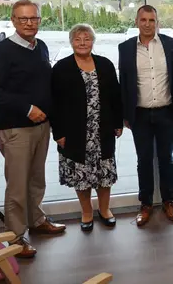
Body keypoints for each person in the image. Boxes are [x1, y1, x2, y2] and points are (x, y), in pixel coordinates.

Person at [0, 0, 65, 259]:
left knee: (36, 179)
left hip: (41, 126)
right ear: (13, 20)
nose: (29, 23)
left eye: (34, 18)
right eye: (23, 18)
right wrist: (27, 108)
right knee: (17, 186)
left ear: (39, 20)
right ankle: (15, 237)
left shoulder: (41, 47)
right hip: (15, 127)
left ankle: (36, 220)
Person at [51, 24, 123, 232]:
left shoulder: (105, 64)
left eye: (87, 39)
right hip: (74, 133)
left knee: (104, 173)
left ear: (93, 41)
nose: (82, 43)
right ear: (71, 42)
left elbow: (116, 96)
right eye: (78, 39)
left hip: (102, 130)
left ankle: (105, 209)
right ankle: (87, 212)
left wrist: (118, 123)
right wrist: (58, 132)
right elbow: (54, 103)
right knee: (80, 175)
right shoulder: (61, 68)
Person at [118, 5, 173, 225]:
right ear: (136, 21)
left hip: (166, 112)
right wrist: (124, 114)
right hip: (140, 115)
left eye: (151, 20)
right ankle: (145, 204)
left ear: (157, 22)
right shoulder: (125, 48)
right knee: (143, 160)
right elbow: (124, 82)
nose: (147, 24)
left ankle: (168, 201)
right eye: (143, 20)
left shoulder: (171, 44)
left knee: (166, 159)